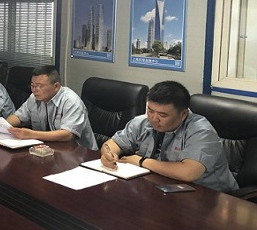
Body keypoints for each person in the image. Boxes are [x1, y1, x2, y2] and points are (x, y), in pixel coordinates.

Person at [100, 81, 238, 192]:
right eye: (150, 110)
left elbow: (189, 173)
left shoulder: (201, 131)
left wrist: (141, 161)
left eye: (163, 115)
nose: (154, 119)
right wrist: (108, 154)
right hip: (163, 188)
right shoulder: (142, 122)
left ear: (183, 114)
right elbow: (112, 144)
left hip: (211, 197)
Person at [7, 65, 98, 150]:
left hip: (81, 153)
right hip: (50, 148)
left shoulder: (71, 102)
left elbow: (67, 135)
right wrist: (5, 126)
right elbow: (18, 117)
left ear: (56, 86)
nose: (34, 90)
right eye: (32, 86)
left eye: (39, 86)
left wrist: (32, 134)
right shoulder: (34, 98)